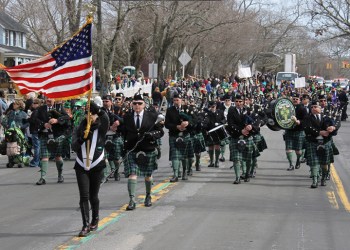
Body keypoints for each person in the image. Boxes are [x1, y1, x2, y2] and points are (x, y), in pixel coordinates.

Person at [120, 94, 164, 210]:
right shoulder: (127, 117)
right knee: (132, 174)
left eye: (139, 103)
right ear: (132, 104)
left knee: (148, 176)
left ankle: (148, 196)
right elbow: (124, 132)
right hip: (132, 150)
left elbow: (160, 132)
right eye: (135, 103)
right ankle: (132, 200)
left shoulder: (152, 116)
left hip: (147, 149)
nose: (137, 106)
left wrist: (151, 135)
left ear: (144, 104)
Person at [72, 101, 109, 237]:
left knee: (94, 196)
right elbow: (73, 147)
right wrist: (82, 138)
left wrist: (98, 110)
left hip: (97, 165)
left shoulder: (102, 127)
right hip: (81, 165)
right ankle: (85, 225)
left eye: (92, 115)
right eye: (88, 114)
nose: (90, 117)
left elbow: (105, 118)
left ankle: (95, 218)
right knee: (84, 196)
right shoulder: (79, 127)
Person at [303, 100, 340, 188]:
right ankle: (315, 180)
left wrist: (333, 127)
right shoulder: (307, 118)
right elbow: (307, 128)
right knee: (314, 163)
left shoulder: (326, 117)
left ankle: (323, 178)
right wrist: (319, 132)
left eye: (315, 106)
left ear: (320, 108)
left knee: (324, 164)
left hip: (325, 142)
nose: (313, 108)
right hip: (312, 142)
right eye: (312, 107)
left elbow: (336, 123)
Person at [35, 98, 70, 185]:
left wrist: (57, 120)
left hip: (56, 135)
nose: (49, 99)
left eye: (51, 98)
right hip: (45, 135)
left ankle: (60, 175)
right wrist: (44, 124)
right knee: (44, 156)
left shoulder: (59, 107)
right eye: (47, 98)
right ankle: (43, 178)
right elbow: (35, 119)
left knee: (58, 156)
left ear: (54, 99)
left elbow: (67, 117)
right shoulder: (41, 108)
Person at [165, 93, 195, 182]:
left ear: (181, 100)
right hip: (174, 135)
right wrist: (176, 126)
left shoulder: (187, 109)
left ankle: (184, 172)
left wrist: (188, 123)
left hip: (185, 134)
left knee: (184, 156)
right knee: (175, 156)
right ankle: (175, 174)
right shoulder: (170, 110)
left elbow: (195, 120)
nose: (176, 102)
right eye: (174, 100)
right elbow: (167, 124)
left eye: (177, 100)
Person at [284, 93, 307, 171]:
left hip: (299, 131)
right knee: (288, 149)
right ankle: (291, 165)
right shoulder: (287, 107)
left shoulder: (302, 109)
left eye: (296, 99)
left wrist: (298, 122)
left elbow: (305, 120)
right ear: (291, 99)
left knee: (298, 151)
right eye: (293, 99)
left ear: (299, 100)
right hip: (289, 131)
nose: (295, 100)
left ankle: (298, 160)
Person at [202, 100, 226, 168]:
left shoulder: (220, 112)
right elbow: (204, 123)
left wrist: (221, 123)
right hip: (210, 131)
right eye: (211, 107)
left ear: (216, 106)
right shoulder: (207, 113)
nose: (212, 108)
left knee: (217, 146)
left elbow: (224, 120)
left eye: (213, 106)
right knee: (210, 146)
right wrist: (205, 128)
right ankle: (212, 161)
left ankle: (217, 161)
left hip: (218, 131)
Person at [28, 98, 41, 168]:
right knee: (37, 146)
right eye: (33, 103)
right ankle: (37, 161)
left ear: (38, 104)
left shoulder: (36, 111)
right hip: (37, 130)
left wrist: (28, 119)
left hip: (35, 130)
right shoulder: (38, 110)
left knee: (36, 147)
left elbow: (33, 120)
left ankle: (36, 162)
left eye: (35, 103)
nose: (33, 104)